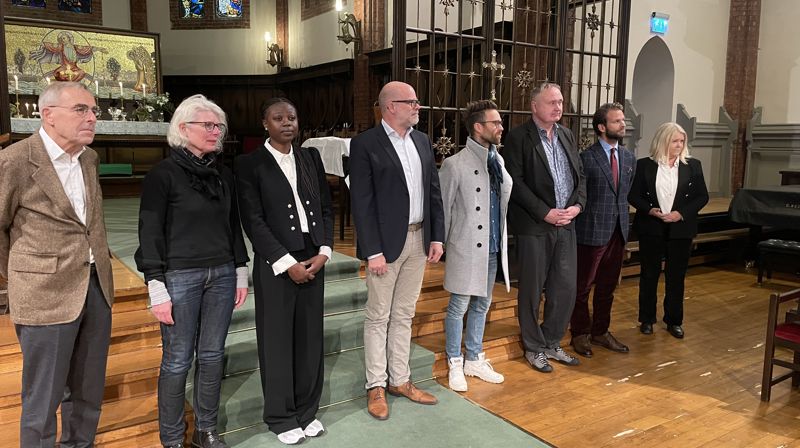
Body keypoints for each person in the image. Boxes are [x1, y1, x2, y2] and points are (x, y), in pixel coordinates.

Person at [0, 81, 114, 446]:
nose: (92, 117)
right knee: (43, 398)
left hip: (96, 286)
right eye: (81, 109)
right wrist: (19, 275)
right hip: (44, 293)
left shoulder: (89, 158)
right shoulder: (15, 160)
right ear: (48, 115)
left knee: (88, 390)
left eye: (94, 110)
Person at [135, 94, 250, 448]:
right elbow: (149, 231)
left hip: (222, 274)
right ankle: (171, 439)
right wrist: (155, 284)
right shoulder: (162, 175)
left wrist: (241, 268)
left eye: (219, 126)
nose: (216, 132)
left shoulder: (222, 174)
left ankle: (206, 431)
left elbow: (233, 225)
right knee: (177, 360)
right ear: (183, 129)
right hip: (179, 277)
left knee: (213, 355)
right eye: (208, 125)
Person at [235, 98, 333, 445]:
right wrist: (285, 262)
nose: (287, 123)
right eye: (278, 118)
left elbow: (324, 206)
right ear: (265, 123)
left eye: (291, 117)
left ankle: (307, 410)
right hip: (276, 261)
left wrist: (324, 250)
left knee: (309, 338)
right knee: (277, 341)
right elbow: (253, 219)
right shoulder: (250, 164)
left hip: (313, 256)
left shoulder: (310, 157)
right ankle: (280, 415)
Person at [350, 81, 445, 420]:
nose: (417, 106)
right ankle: (375, 384)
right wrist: (371, 250)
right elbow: (361, 201)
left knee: (404, 313)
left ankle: (400, 380)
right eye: (411, 102)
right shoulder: (365, 143)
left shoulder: (421, 140)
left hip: (420, 239)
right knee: (378, 315)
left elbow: (433, 190)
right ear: (390, 106)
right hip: (385, 245)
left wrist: (437, 236)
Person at [503, 82, 586, 373]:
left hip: (567, 224)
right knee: (532, 289)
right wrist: (546, 213)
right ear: (534, 106)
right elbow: (515, 183)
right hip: (535, 225)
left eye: (560, 101)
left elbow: (580, 176)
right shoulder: (518, 138)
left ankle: (551, 341)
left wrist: (577, 207)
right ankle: (534, 347)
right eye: (551, 102)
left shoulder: (566, 135)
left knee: (565, 288)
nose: (558, 107)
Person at [439, 100, 512, 391]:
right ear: (478, 127)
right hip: (465, 245)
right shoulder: (454, 164)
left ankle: (474, 357)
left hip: (493, 245)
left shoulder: (497, 161)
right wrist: (440, 245)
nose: (501, 127)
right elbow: (443, 208)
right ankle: (454, 360)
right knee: (459, 305)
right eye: (495, 123)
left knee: (483, 303)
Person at [628, 122, 709, 339]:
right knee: (649, 274)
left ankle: (674, 321)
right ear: (663, 141)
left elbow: (702, 196)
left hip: (680, 229)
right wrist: (649, 210)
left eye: (682, 141)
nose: (679, 145)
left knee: (676, 277)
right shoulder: (644, 165)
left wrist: (680, 214)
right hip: (651, 227)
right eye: (675, 141)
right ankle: (646, 319)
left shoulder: (693, 165)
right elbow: (633, 195)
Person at [569, 103, 636, 358]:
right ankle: (580, 333)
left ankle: (601, 331)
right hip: (591, 231)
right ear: (601, 127)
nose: (623, 125)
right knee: (582, 287)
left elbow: (624, 194)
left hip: (618, 231)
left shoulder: (629, 158)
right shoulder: (586, 158)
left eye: (623, 120)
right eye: (617, 121)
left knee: (608, 287)